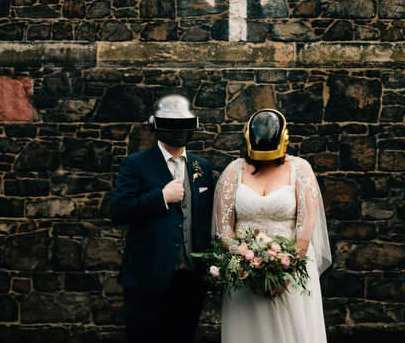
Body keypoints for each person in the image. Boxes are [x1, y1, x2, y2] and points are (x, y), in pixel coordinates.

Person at [213, 108, 331, 343]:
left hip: (291, 270)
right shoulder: (233, 171)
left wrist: (286, 270)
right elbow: (223, 229)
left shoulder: (300, 169)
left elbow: (306, 225)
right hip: (244, 274)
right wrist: (247, 264)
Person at [111, 92, 216, 343]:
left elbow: (206, 218)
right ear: (155, 125)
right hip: (148, 279)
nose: (178, 131)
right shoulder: (136, 164)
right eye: (171, 124)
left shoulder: (202, 167)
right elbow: (118, 211)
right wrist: (161, 197)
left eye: (183, 124)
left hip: (190, 280)